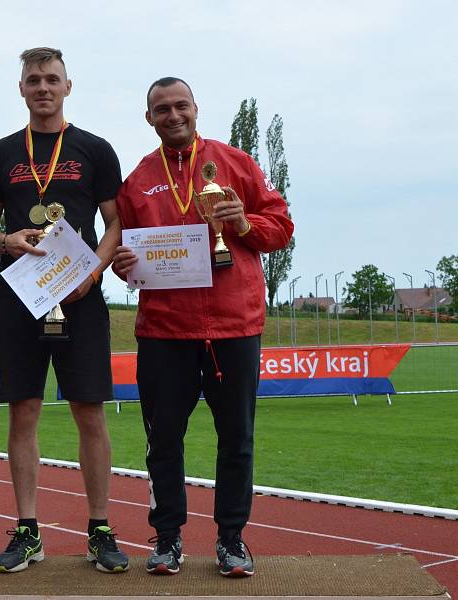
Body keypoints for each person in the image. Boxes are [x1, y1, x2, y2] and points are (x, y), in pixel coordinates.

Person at [112, 77, 294, 577]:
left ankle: (231, 540)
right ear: (149, 118)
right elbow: (123, 252)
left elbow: (281, 229)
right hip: (165, 332)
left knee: (237, 438)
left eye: (180, 105)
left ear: (195, 108)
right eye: (161, 109)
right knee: (163, 440)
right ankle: (167, 538)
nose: (173, 115)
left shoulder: (237, 164)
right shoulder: (139, 179)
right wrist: (124, 263)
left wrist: (241, 223)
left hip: (234, 327)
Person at [0, 47, 129, 574]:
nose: (43, 87)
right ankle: (27, 530)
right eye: (33, 79)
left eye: (52, 79)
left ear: (68, 86)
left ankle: (100, 528)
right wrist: (7, 241)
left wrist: (93, 273)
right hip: (19, 296)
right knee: (24, 412)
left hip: (79, 297)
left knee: (89, 412)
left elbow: (114, 224)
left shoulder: (95, 149)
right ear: (21, 88)